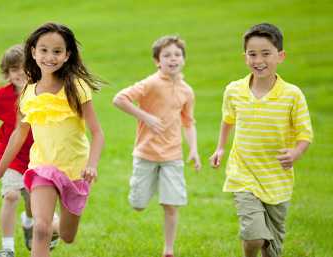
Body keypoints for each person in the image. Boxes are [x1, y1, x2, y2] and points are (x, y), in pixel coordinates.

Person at [0, 22, 104, 257]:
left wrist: (92, 165)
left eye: (57, 51)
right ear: (33, 52)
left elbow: (97, 132)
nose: (50, 56)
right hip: (42, 167)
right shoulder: (28, 92)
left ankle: (58, 226)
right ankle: (45, 227)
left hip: (74, 169)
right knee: (40, 228)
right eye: (43, 50)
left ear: (67, 55)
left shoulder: (76, 87)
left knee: (67, 235)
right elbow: (19, 133)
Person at [209, 23, 313, 257]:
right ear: (244, 56)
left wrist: (295, 153)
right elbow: (228, 119)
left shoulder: (292, 94)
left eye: (266, 53)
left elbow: (305, 133)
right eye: (252, 54)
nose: (259, 60)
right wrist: (220, 148)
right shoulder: (234, 90)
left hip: (277, 179)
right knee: (254, 235)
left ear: (281, 56)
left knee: (272, 250)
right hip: (243, 173)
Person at [0, 44, 58, 257]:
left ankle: (28, 222)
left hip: (38, 156)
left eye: (24, 68)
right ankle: (7, 247)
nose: (20, 73)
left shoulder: (41, 93)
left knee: (31, 202)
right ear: (6, 73)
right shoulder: (3, 95)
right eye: (14, 69)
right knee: (10, 196)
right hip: (11, 157)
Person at [113, 35, 201, 257]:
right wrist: (146, 117)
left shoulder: (187, 91)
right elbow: (119, 99)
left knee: (171, 204)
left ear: (184, 59)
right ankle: (145, 187)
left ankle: (168, 250)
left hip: (173, 155)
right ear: (157, 61)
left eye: (177, 55)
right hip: (146, 153)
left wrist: (194, 150)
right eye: (167, 55)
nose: (173, 59)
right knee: (139, 204)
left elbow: (188, 122)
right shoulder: (151, 83)